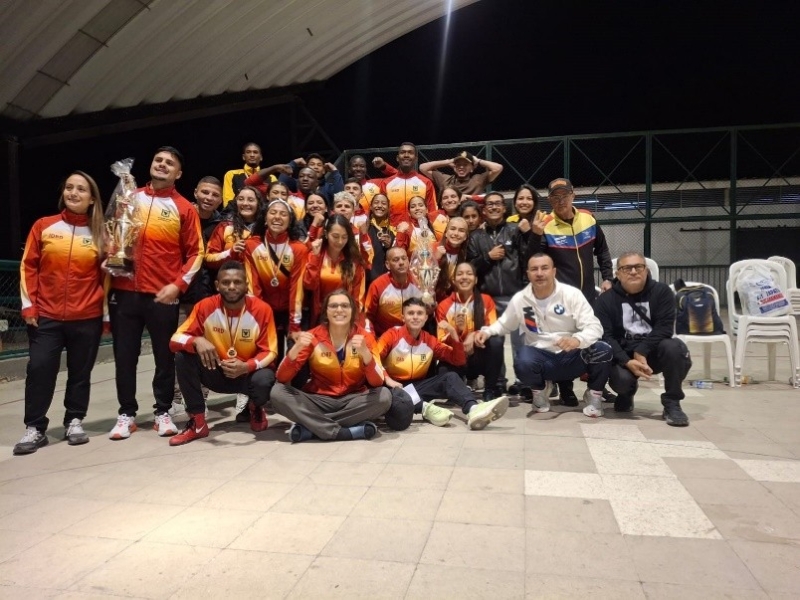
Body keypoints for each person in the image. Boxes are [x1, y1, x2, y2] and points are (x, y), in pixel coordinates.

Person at [108, 146, 204, 440]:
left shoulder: (184, 208)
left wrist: (178, 285)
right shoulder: (129, 197)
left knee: (165, 357)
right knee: (125, 356)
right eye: (158, 160)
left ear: (178, 173)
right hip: (125, 293)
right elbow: (115, 236)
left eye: (169, 163)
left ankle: (162, 411)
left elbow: (196, 252)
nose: (162, 165)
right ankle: (126, 414)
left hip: (163, 294)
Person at [15, 171, 106, 455]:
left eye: (81, 189)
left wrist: (104, 315)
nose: (74, 193)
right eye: (69, 187)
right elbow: (28, 266)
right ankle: (35, 428)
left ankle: (75, 420)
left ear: (92, 199)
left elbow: (109, 278)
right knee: (40, 369)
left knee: (80, 373)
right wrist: (29, 305)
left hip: (87, 316)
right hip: (47, 316)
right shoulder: (44, 226)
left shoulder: (102, 234)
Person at [475, 254, 613, 417]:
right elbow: (505, 323)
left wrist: (577, 340)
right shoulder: (521, 299)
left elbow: (594, 326)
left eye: (544, 268)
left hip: (573, 356)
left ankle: (594, 394)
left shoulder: (571, 294)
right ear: (528, 274)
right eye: (534, 269)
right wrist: (486, 331)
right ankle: (540, 391)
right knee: (523, 360)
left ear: (554, 271)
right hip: (542, 359)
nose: (539, 273)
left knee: (603, 350)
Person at [168, 261, 278, 445]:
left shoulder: (262, 310)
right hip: (216, 372)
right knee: (183, 357)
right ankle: (198, 423)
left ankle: (255, 407)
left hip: (247, 376)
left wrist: (246, 366)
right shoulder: (205, 306)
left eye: (237, 282)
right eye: (226, 282)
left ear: (246, 284)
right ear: (217, 285)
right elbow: (174, 340)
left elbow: (271, 351)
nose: (232, 286)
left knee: (265, 378)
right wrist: (196, 340)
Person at [529, 177, 615, 406]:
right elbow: (535, 259)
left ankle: (597, 386)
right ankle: (567, 389)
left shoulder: (588, 219)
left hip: (588, 296)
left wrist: (608, 278)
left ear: (573, 195)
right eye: (555, 197)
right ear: (549, 200)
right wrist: (535, 236)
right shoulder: (545, 224)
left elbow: (602, 251)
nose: (560, 200)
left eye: (564, 195)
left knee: (593, 339)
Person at [271, 289, 391, 442]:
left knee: (384, 397)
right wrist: (294, 350)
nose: (339, 310)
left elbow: (378, 382)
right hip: (319, 400)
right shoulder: (313, 337)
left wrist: (366, 354)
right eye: (333, 306)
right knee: (277, 393)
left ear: (352, 311)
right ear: (325, 311)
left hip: (353, 399)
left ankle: (312, 428)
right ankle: (343, 432)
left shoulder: (365, 338)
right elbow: (281, 377)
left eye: (344, 306)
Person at [377, 297, 509, 430]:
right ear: (403, 317)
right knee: (396, 398)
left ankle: (473, 408)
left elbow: (458, 360)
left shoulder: (430, 340)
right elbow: (374, 358)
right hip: (393, 388)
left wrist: (454, 334)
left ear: (426, 318)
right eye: (410, 313)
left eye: (419, 313)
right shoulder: (392, 335)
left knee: (450, 377)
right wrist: (387, 379)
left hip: (418, 387)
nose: (415, 317)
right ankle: (425, 408)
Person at [594, 251, 691, 425]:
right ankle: (626, 393)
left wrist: (641, 351)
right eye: (626, 268)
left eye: (638, 267)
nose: (633, 271)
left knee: (675, 348)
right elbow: (606, 336)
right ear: (618, 273)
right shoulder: (605, 301)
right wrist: (627, 361)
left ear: (646, 270)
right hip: (624, 354)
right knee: (621, 381)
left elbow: (665, 328)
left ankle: (672, 403)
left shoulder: (662, 293)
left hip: (654, 351)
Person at [467, 190, 530, 391]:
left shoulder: (515, 230)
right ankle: (498, 382)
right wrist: (488, 256)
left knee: (522, 343)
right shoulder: (475, 237)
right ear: (484, 210)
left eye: (498, 203)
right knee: (495, 343)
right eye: (489, 204)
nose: (494, 207)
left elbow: (527, 258)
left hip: (516, 296)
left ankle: (524, 382)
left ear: (504, 208)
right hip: (489, 298)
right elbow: (471, 267)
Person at [436, 262, 505, 403]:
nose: (464, 277)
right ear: (453, 280)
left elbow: (491, 328)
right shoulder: (444, 306)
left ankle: (489, 389)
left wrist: (473, 335)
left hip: (479, 356)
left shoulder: (486, 300)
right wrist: (458, 332)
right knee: (442, 374)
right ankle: (462, 386)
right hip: (456, 358)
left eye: (469, 273)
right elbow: (441, 341)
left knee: (496, 341)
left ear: (476, 279)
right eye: (460, 274)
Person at [303, 214, 367, 325]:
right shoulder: (316, 254)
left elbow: (357, 298)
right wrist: (315, 257)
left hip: (343, 317)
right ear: (326, 234)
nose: (340, 241)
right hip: (318, 317)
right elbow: (309, 284)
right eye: (335, 236)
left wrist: (355, 325)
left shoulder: (354, 262)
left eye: (344, 237)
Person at [365, 247, 423, 338]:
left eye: (404, 259)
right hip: (384, 338)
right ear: (387, 265)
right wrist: (372, 340)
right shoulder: (377, 285)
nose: (401, 263)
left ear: (408, 261)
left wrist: (430, 308)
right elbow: (367, 317)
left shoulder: (419, 282)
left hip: (413, 337)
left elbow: (425, 313)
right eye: (396, 260)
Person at [204, 186, 266, 270]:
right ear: (236, 202)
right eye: (240, 199)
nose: (245, 203)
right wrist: (230, 252)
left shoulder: (266, 229)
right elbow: (208, 259)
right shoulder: (225, 226)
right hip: (231, 279)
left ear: (258, 203)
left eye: (250, 200)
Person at [380, 142, 437, 226]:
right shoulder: (386, 183)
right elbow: (381, 210)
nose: (406, 155)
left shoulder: (426, 183)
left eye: (410, 152)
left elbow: (433, 211)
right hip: (393, 232)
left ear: (416, 158)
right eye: (403, 152)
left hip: (418, 232)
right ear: (397, 158)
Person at [419, 151, 503, 196]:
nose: (461, 167)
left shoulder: (478, 180)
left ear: (472, 168)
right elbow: (422, 168)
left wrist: (478, 161)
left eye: (465, 164)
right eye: (458, 164)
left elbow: (498, 168)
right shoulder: (445, 179)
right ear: (454, 167)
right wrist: (448, 162)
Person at [434, 216, 470, 301]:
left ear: (465, 236)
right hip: (432, 299)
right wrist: (436, 259)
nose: (456, 233)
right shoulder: (433, 248)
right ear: (446, 232)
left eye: (461, 230)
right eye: (453, 229)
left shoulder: (466, 254)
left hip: (453, 301)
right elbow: (423, 280)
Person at [364, 192, 395, 288]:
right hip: (364, 278)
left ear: (389, 208)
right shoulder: (364, 227)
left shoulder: (393, 231)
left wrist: (390, 246)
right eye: (376, 203)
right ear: (371, 207)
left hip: (384, 281)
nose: (380, 206)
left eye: (384, 203)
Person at [222, 142, 263, 207]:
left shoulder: (271, 178)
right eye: (248, 152)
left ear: (261, 157)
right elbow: (228, 202)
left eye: (255, 152)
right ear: (243, 157)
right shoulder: (231, 175)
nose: (252, 155)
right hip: (237, 215)